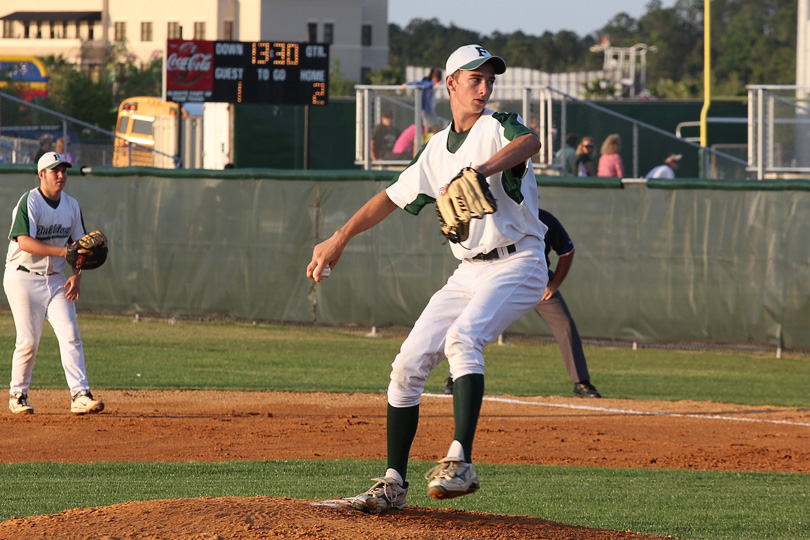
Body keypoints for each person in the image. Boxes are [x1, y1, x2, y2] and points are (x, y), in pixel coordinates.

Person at [306, 44, 546, 514]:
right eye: (475, 78)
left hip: (520, 261)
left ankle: (461, 462)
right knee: (407, 365)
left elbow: (530, 143)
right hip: (468, 270)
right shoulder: (436, 149)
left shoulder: (499, 126)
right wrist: (339, 237)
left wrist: (482, 168)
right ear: (450, 83)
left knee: (462, 338)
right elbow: (391, 198)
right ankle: (393, 483)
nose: (485, 86)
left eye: (490, 79)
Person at [443, 209, 601, 398]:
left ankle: (581, 383)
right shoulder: (494, 217)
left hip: (536, 277)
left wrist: (555, 283)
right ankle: (457, 378)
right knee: (474, 323)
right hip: (496, 279)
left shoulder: (543, 219)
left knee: (564, 325)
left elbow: (567, 251)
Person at [5, 152, 105, 416]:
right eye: (54, 171)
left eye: (63, 170)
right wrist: (64, 253)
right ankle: (18, 394)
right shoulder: (31, 201)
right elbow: (24, 242)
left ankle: (80, 394)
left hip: (56, 280)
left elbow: (80, 247)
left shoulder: (71, 205)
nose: (61, 175)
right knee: (28, 340)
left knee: (71, 334)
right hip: (22, 277)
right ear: (42, 175)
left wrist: (78, 274)